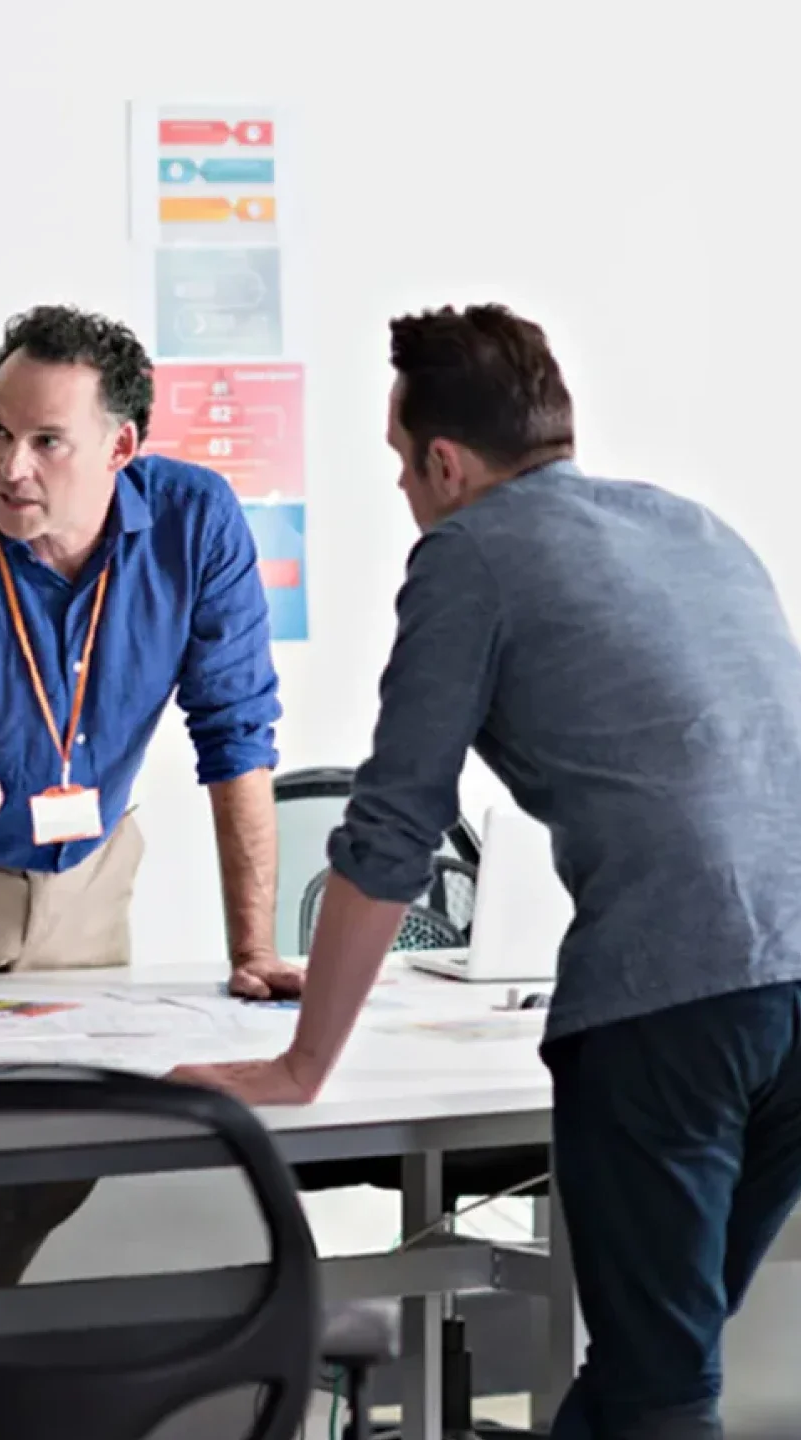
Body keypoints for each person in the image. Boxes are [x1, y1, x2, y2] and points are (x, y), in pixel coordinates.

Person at [174, 303, 801, 1440]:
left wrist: (303, 1064)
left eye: (401, 468)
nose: (405, 494)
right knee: (651, 1359)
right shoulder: (692, 525)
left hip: (675, 1008)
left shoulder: (469, 553)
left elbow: (392, 828)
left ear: (446, 463)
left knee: (662, 1389)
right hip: (793, 992)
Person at [0, 304, 297, 1435]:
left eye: (46, 441)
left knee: (60, 1154)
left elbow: (238, 731)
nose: (10, 466)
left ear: (123, 448)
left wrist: (253, 949)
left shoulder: (197, 521)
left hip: (91, 876)